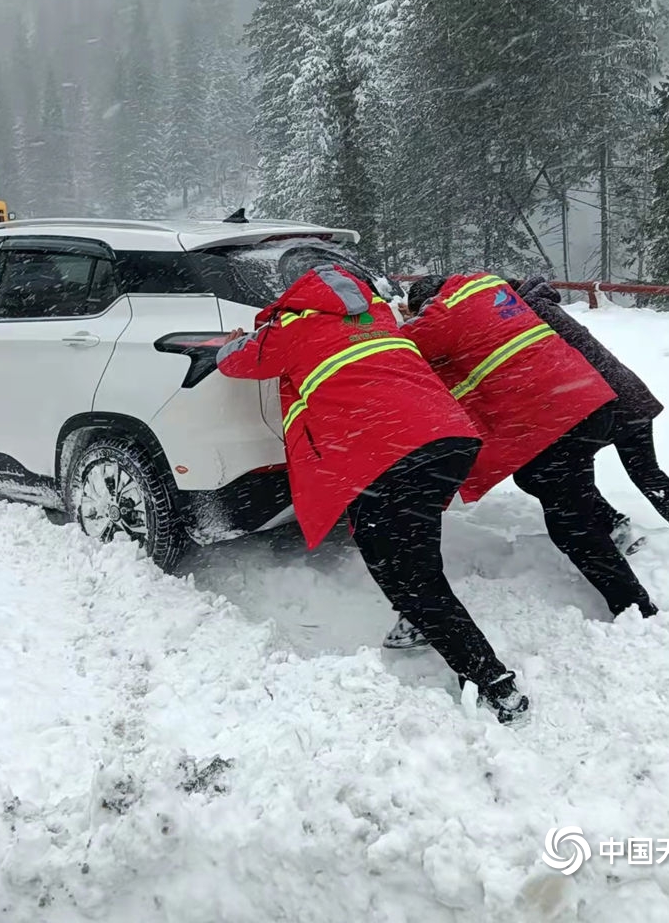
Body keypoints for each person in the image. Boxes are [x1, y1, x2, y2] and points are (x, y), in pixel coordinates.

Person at [216, 263, 528, 722]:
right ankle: (421, 620)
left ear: (296, 296)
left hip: (387, 453)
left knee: (405, 572)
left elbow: (238, 361)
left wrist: (236, 339)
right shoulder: (378, 315)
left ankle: (493, 683)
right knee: (412, 551)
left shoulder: (294, 328)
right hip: (448, 441)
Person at [383, 272, 657, 650]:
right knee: (537, 477)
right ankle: (611, 525)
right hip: (584, 402)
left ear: (429, 304)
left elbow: (402, 346)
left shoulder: (442, 315)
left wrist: (403, 320)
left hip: (558, 418)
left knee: (570, 525)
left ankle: (635, 606)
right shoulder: (484, 289)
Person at [510, 276, 669, 545]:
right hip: (629, 394)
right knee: (646, 472)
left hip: (598, 404)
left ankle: (611, 525)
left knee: (560, 470)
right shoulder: (541, 307)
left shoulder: (527, 318)